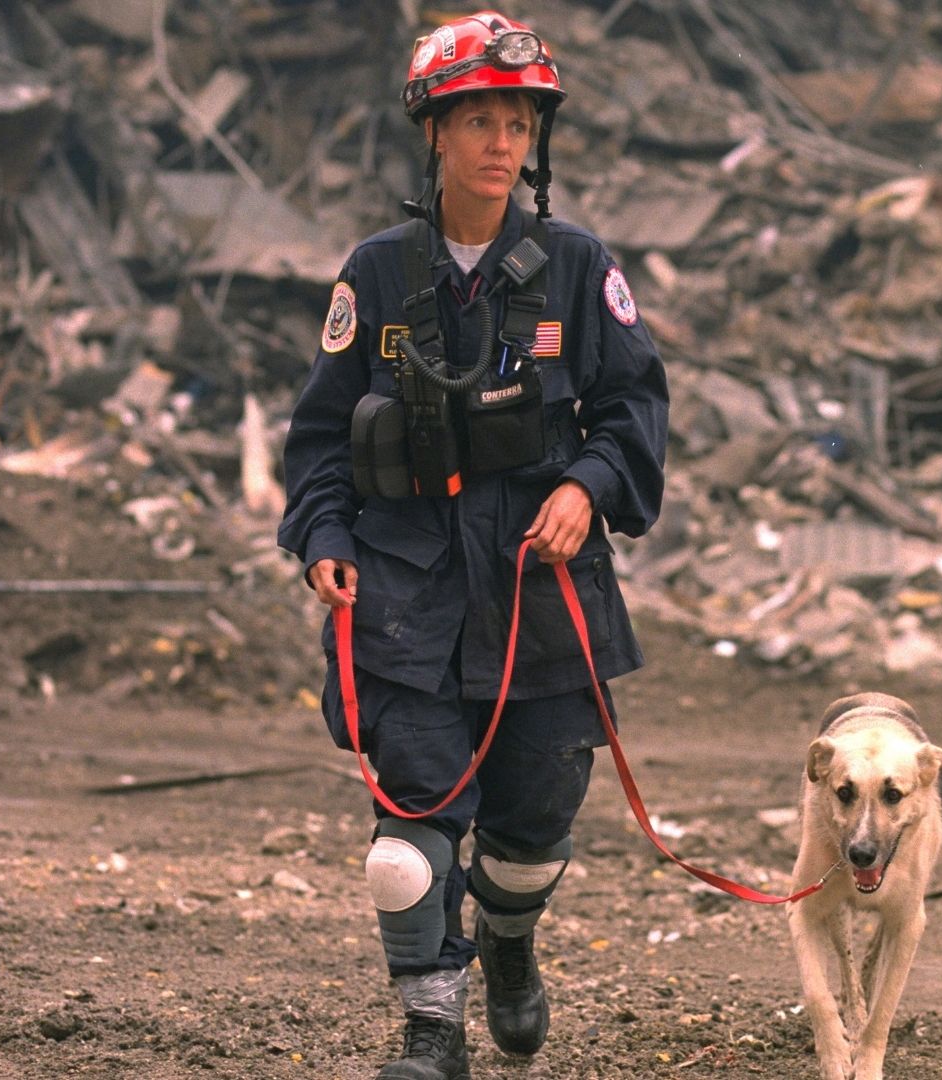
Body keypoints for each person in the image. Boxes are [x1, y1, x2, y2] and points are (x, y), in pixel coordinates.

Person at [278, 11, 668, 1079]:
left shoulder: (581, 269)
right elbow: (318, 436)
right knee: (408, 845)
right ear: (434, 133)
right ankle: (431, 1033)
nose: (503, 142)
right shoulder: (378, 276)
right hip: (404, 590)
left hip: (543, 593)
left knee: (533, 829)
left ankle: (507, 943)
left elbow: (635, 410)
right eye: (480, 121)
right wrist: (320, 537)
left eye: (518, 122)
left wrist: (589, 488)